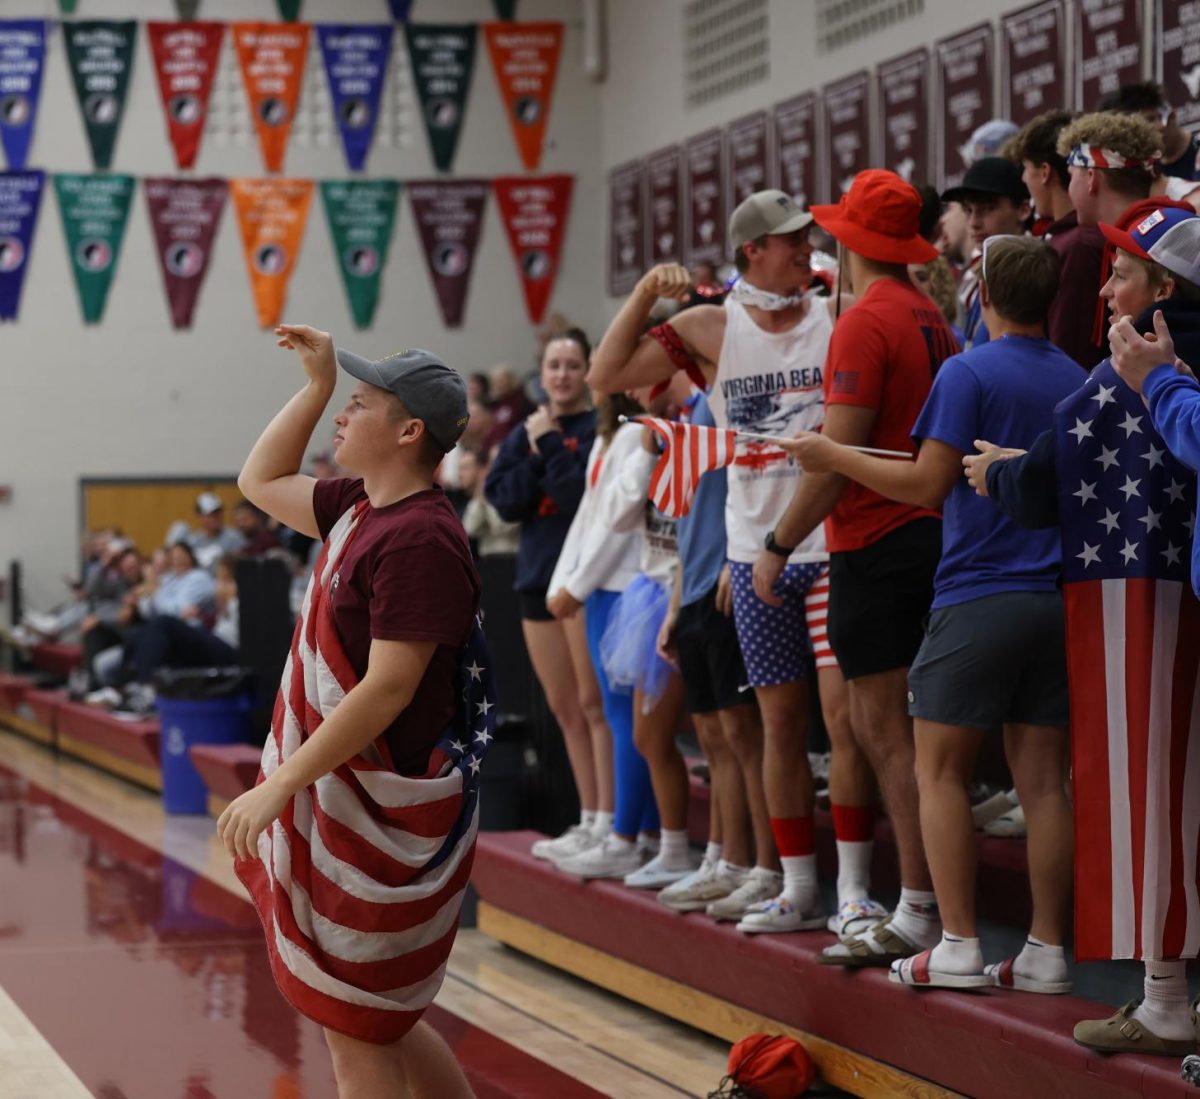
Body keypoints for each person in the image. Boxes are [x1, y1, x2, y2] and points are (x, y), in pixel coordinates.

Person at [589, 188, 884, 937]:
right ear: (752, 249)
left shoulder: (835, 313)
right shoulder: (710, 326)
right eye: (788, 240)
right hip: (755, 553)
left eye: (805, 239)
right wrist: (643, 294)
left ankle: (854, 889)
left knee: (844, 722)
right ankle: (795, 887)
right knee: (779, 726)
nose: (803, 249)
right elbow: (609, 374)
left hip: (829, 539)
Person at [788, 235, 1079, 992]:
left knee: (937, 769)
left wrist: (830, 455)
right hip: (1059, 599)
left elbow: (924, 484)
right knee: (1045, 783)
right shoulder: (1082, 377)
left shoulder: (967, 370)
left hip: (978, 592)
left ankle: (955, 942)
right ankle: (1048, 950)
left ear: (981, 292)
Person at [218, 324, 484, 1097]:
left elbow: (388, 687)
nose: (342, 414)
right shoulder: (362, 506)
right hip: (352, 791)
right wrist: (315, 386)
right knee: (377, 1018)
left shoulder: (418, 538)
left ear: (408, 431)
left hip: (383, 810)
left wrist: (280, 783)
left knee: (358, 1029)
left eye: (357, 402)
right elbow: (260, 479)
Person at [967, 205, 1200, 1055]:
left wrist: (999, 473)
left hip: (1147, 603)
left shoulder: (1138, 363)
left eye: (1122, 272)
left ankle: (1165, 996)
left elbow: (1046, 480)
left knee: (1148, 790)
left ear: (1164, 287)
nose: (1103, 290)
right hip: (1180, 591)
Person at [756, 170, 959, 967]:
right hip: (934, 536)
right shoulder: (931, 314)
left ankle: (916, 908)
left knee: (887, 735)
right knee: (918, 739)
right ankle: (933, 907)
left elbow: (834, 457)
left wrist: (776, 545)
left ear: (848, 242)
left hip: (875, 541)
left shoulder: (866, 320)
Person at [485, 331, 611, 858]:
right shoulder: (528, 429)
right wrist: (540, 451)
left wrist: (550, 447)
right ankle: (588, 818)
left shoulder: (603, 427)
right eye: (554, 365)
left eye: (572, 364)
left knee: (594, 703)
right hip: (536, 579)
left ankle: (611, 821)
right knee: (563, 708)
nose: (562, 374)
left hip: (584, 579)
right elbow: (504, 501)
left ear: (588, 371)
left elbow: (576, 497)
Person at [655, 390, 761, 911]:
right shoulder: (685, 417)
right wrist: (675, 603)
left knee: (742, 736)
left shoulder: (720, 400)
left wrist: (735, 562)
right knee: (715, 739)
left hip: (726, 581)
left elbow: (753, 487)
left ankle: (755, 866)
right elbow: (684, 525)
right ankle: (722, 858)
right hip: (695, 589)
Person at [542, 391, 645, 870]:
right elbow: (589, 516)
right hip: (601, 585)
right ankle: (612, 826)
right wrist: (567, 578)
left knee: (626, 716)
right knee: (614, 709)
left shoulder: (635, 434)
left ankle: (630, 834)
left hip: (626, 583)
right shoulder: (612, 437)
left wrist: (575, 584)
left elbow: (618, 522)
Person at [1010, 109, 1106, 369]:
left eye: (1026, 168)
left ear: (1044, 172)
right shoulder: (1063, 239)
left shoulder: (1078, 245)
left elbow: (1068, 351)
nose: (1022, 178)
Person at [940, 157, 1031, 349]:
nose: (974, 222)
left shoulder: (1034, 271)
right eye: (968, 210)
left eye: (988, 208)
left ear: (1023, 210)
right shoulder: (972, 273)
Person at [1100, 81, 1199, 182]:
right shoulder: (1146, 169)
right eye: (1139, 127)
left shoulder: (1197, 149)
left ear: (1171, 116)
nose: (1157, 127)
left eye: (1151, 119)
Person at [185, 493, 247, 571]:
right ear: (200, 517)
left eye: (217, 513)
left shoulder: (235, 538)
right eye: (209, 515)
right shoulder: (192, 541)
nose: (214, 518)